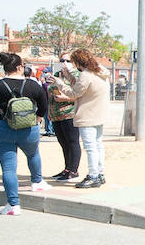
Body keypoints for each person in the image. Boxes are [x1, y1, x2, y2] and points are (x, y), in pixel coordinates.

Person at [0, 51, 50, 215]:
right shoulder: (33, 85)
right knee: (33, 154)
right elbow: (43, 106)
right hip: (28, 129)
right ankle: (37, 182)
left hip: (3, 127)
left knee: (8, 168)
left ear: (5, 68)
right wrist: (38, 120)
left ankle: (13, 204)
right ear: (20, 67)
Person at [67, 49, 109, 189]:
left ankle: (93, 175)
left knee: (90, 147)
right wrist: (70, 78)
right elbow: (82, 88)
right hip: (98, 114)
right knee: (98, 145)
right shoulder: (100, 72)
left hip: (87, 115)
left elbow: (75, 93)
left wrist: (59, 83)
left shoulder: (86, 75)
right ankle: (99, 173)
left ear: (79, 62)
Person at [47, 58, 82, 181]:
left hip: (69, 114)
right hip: (56, 114)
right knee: (63, 143)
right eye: (62, 60)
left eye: (67, 60)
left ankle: (74, 170)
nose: (64, 63)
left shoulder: (77, 76)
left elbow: (80, 96)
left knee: (72, 142)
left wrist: (65, 98)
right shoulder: (56, 75)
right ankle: (67, 168)